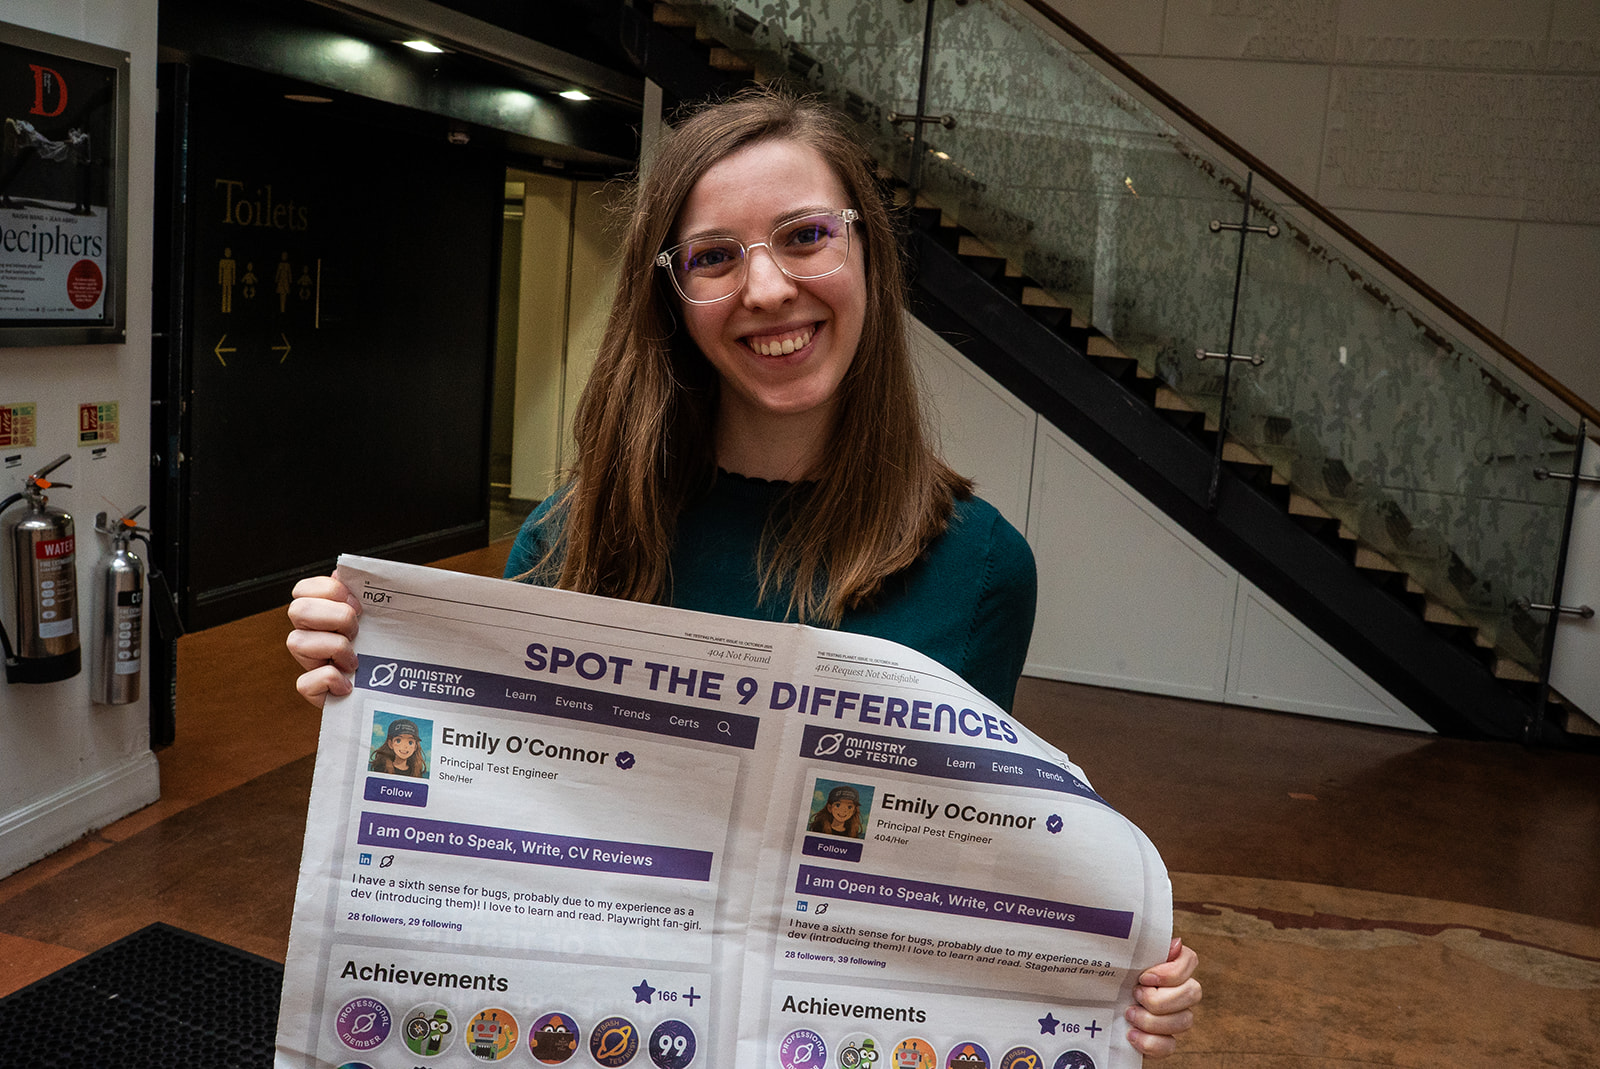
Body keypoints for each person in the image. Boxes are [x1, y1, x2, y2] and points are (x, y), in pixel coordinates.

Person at [287, 87, 1200, 1056]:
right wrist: (369, 669)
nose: (766, 288)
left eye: (804, 235)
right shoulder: (569, 539)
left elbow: (972, 877)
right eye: (715, 256)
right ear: (673, 296)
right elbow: (486, 841)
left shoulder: (978, 568)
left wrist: (1120, 982)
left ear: (864, 253)